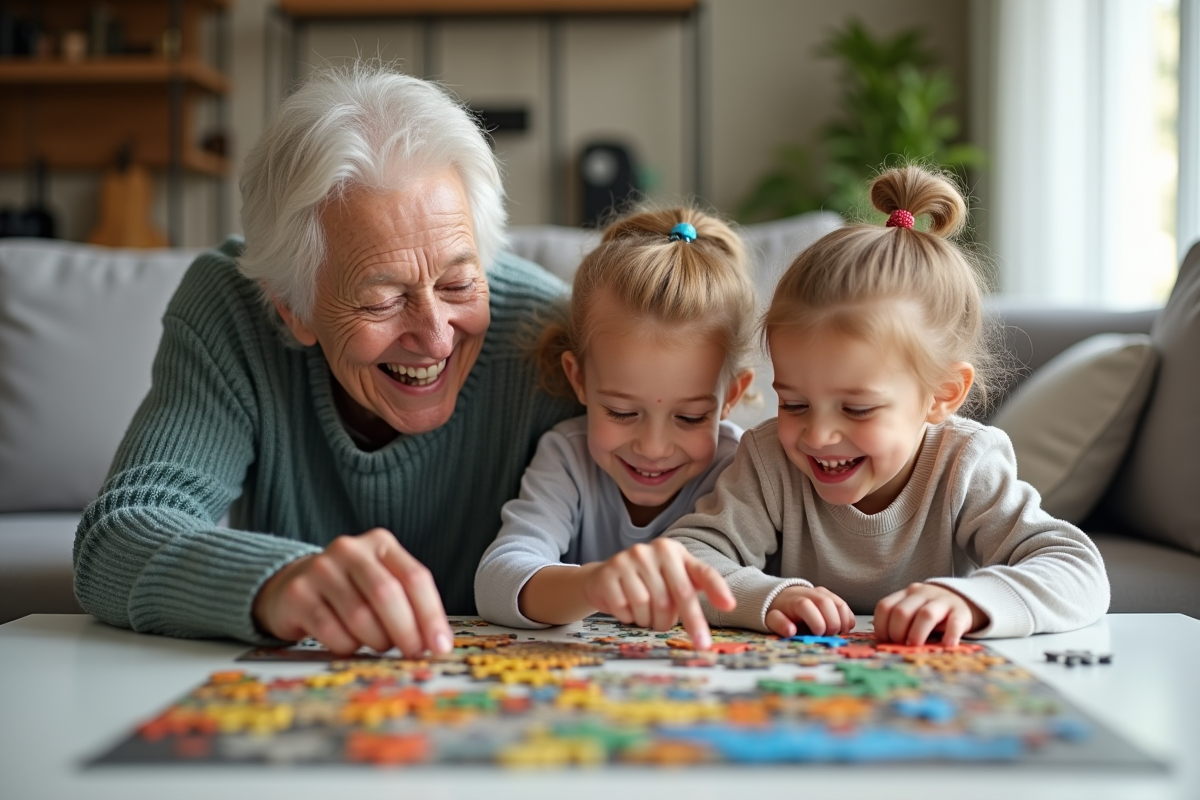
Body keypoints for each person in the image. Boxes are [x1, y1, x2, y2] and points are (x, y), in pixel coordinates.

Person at [72, 63, 581, 656]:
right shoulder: (235, 311)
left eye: (458, 285)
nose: (437, 339)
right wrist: (280, 581)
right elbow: (117, 538)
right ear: (292, 307)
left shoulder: (550, 337)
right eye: (382, 300)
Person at [664, 165, 1110, 646]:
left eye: (856, 409)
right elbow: (685, 557)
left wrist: (973, 602)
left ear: (942, 394)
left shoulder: (965, 461)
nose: (817, 435)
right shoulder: (770, 458)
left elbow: (1077, 569)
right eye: (794, 403)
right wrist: (769, 598)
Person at [474, 208, 756, 649]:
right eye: (623, 413)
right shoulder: (567, 457)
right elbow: (496, 580)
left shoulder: (740, 468)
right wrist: (595, 584)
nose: (654, 447)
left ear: (732, 397)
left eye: (690, 417)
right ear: (579, 380)